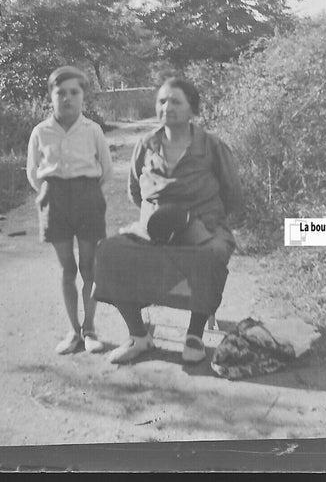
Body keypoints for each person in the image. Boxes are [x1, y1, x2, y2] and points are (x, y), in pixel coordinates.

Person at [93, 77, 244, 364]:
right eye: (162, 101)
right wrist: (157, 218)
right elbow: (135, 192)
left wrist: (207, 222)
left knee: (209, 255)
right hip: (155, 230)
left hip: (203, 227)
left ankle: (194, 335)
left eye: (176, 101)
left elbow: (232, 193)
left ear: (193, 109)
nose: (167, 107)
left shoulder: (211, 146)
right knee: (109, 253)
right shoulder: (145, 144)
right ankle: (138, 336)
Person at [27, 65, 113, 354]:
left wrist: (85, 191)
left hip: (88, 197)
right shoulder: (41, 132)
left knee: (89, 267)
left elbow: (106, 169)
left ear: (83, 97)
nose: (67, 98)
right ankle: (72, 331)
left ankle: (89, 329)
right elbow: (33, 171)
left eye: (73, 92)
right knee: (68, 268)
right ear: (50, 96)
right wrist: (46, 194)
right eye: (60, 92)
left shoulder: (93, 130)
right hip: (55, 200)